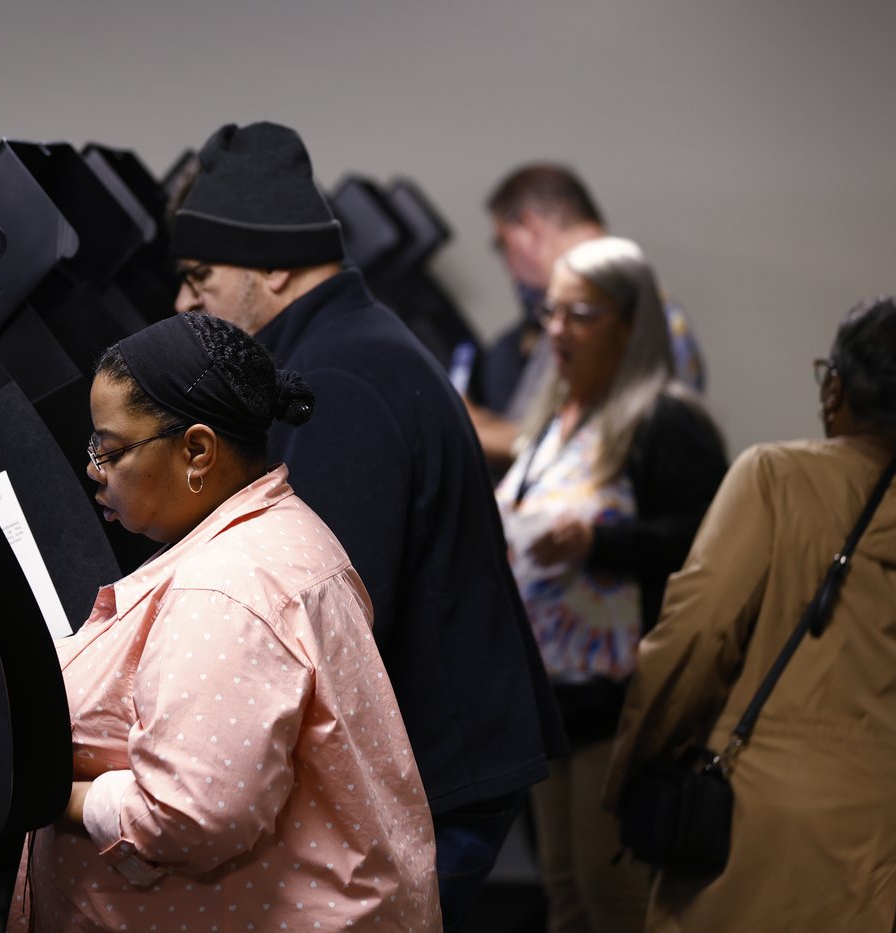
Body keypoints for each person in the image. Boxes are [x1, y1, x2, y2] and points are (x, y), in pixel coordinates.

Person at [168, 121, 565, 930]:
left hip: (440, 776)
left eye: (200, 276)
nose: (184, 302)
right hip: (449, 755)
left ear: (273, 264)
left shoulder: (337, 377)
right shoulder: (347, 344)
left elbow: (325, 616)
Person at [7, 312, 441, 932]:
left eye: (111, 449)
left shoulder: (225, 588)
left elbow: (192, 814)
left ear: (198, 450)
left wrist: (54, 797)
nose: (94, 469)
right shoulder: (275, 531)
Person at [604, 296, 896, 932]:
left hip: (773, 818)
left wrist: (634, 765)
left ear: (834, 385)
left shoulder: (774, 478)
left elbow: (696, 636)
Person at [496, 236, 727, 933]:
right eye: (550, 312)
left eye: (579, 314)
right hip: (551, 700)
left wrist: (603, 541)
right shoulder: (552, 423)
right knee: (563, 888)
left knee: (611, 892)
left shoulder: (666, 421)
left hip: (622, 702)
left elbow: (709, 547)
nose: (555, 331)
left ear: (630, 323)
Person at [467, 164, 705, 474]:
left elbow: (597, 449)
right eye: (553, 312)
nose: (506, 264)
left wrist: (462, 428)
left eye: (503, 243)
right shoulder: (567, 317)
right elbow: (542, 432)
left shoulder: (643, 317)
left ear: (531, 227)